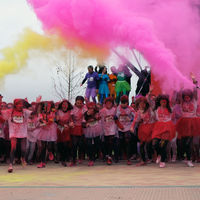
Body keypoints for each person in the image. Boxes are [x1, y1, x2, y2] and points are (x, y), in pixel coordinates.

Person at [0, 99, 32, 173]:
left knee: (24, 149)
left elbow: (34, 112)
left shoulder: (25, 112)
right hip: (13, 132)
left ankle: (23, 158)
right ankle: (10, 165)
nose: (20, 105)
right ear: (15, 105)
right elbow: (1, 112)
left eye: (21, 104)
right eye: (18, 104)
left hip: (23, 132)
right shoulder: (10, 111)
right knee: (13, 148)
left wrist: (37, 103)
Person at [176, 88, 199, 167]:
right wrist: (180, 87)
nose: (187, 98)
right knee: (183, 143)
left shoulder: (194, 101)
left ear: (191, 96)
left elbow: (196, 92)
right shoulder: (182, 102)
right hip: (183, 123)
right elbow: (178, 95)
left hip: (192, 123)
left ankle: (189, 159)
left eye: (188, 96)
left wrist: (195, 83)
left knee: (188, 142)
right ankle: (186, 157)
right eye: (185, 96)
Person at [152, 95, 175, 168]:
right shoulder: (156, 109)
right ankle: (159, 154)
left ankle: (162, 161)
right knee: (155, 144)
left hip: (167, 128)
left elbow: (174, 99)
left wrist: (175, 91)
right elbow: (150, 102)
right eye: (162, 102)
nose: (163, 103)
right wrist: (149, 94)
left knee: (163, 145)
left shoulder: (170, 108)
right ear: (159, 102)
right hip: (158, 128)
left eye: (165, 102)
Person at [130, 97, 155, 166]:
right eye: (140, 103)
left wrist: (149, 94)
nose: (142, 105)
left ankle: (150, 157)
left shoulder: (149, 110)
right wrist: (132, 127)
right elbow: (135, 120)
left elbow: (151, 103)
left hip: (150, 128)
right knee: (141, 144)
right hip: (143, 129)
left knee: (148, 144)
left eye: (143, 103)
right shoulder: (138, 112)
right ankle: (143, 160)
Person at [116, 95, 135, 165]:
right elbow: (116, 117)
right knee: (119, 142)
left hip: (127, 127)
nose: (123, 104)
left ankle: (128, 158)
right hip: (120, 127)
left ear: (127, 102)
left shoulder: (130, 109)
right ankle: (118, 156)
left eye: (125, 103)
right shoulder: (118, 108)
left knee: (128, 141)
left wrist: (131, 119)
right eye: (122, 102)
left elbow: (135, 116)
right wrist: (119, 125)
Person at [83, 102, 102, 166]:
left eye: (92, 108)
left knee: (97, 143)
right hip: (88, 130)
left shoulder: (97, 113)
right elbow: (83, 123)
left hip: (96, 129)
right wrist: (86, 124)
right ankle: (91, 158)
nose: (91, 109)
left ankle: (97, 155)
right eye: (89, 108)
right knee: (89, 144)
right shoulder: (85, 114)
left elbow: (100, 118)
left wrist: (95, 118)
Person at [70, 96, 87, 166]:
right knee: (74, 144)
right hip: (74, 127)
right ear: (75, 102)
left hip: (82, 127)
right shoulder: (73, 108)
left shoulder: (84, 108)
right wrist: (71, 122)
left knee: (81, 144)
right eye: (78, 103)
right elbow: (70, 117)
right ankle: (73, 159)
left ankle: (80, 157)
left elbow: (86, 116)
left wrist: (84, 121)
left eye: (80, 103)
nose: (79, 104)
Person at [56, 100, 73, 167]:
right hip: (60, 129)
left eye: (66, 104)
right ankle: (62, 159)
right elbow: (56, 121)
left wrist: (70, 124)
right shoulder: (58, 112)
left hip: (67, 129)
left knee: (66, 144)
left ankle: (65, 159)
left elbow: (71, 120)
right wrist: (62, 125)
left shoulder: (70, 112)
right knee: (61, 144)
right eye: (63, 104)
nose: (65, 106)